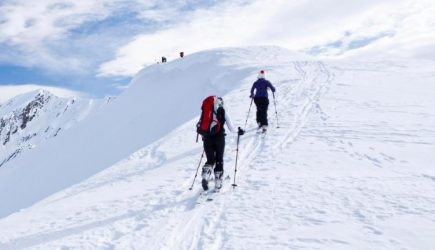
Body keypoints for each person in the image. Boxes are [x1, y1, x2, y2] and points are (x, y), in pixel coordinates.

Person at [201, 96, 245, 191]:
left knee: (210, 160)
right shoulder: (223, 110)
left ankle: (205, 175)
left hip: (207, 138)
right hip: (219, 138)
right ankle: (218, 183)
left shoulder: (206, 111)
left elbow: (202, 125)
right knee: (219, 159)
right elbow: (231, 128)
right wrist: (239, 131)